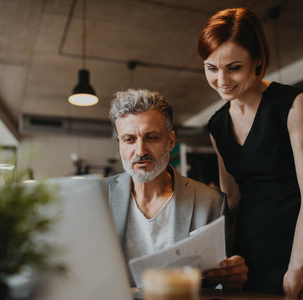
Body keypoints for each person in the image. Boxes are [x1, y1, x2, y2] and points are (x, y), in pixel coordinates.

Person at [198, 7, 303, 299]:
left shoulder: (293, 104)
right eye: (212, 68)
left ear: (258, 62)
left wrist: (298, 266)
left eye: (233, 67)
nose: (221, 80)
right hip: (251, 252)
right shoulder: (216, 125)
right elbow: (232, 201)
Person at [105, 88, 248, 290]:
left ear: (170, 141)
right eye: (129, 139)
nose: (140, 151)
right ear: (120, 143)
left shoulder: (210, 202)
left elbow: (217, 283)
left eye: (151, 137)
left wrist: (232, 277)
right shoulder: (98, 197)